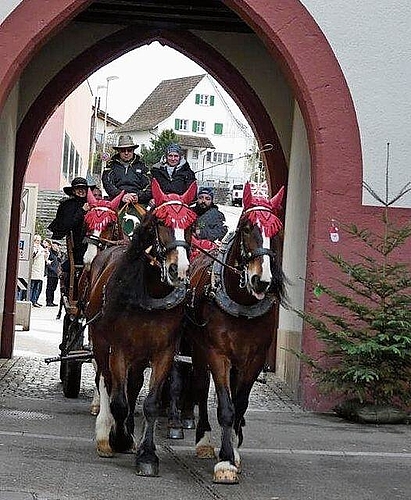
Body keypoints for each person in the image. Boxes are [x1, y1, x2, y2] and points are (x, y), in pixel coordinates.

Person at [48, 177, 95, 265]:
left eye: (83, 188)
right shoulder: (67, 206)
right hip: (79, 242)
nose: (81, 190)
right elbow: (66, 225)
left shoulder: (93, 203)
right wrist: (82, 211)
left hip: (95, 239)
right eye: (78, 188)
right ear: (73, 191)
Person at [102, 135, 151, 205]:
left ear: (133, 150)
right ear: (118, 151)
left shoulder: (142, 166)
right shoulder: (110, 166)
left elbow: (149, 185)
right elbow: (108, 184)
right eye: (123, 150)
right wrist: (122, 196)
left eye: (129, 150)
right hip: (116, 202)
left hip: (138, 203)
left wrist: (138, 196)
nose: (126, 153)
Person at [30, 234, 46, 307]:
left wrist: (46, 253)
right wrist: (40, 252)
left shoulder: (41, 247)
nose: (38, 242)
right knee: (32, 286)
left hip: (40, 270)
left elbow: (45, 258)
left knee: (37, 287)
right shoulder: (33, 247)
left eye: (39, 240)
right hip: (34, 269)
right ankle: (30, 300)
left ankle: (34, 300)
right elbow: (33, 256)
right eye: (37, 240)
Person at [45, 240, 61, 306]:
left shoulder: (57, 254)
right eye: (55, 246)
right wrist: (53, 269)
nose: (57, 247)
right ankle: (48, 301)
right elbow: (47, 262)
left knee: (53, 288)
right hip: (51, 273)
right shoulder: (50, 253)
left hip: (56, 274)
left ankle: (51, 301)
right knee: (50, 288)